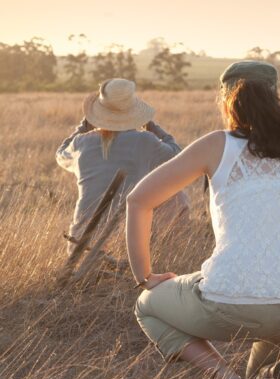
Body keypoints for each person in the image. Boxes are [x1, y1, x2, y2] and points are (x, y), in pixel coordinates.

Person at [126, 61, 280, 379]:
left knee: (146, 305)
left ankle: (224, 377)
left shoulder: (218, 145)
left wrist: (144, 276)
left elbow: (138, 200)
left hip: (231, 300)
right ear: (275, 98)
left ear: (228, 100)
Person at [56, 78, 188, 254]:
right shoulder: (144, 141)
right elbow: (177, 155)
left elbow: (61, 154)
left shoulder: (81, 143)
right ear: (134, 112)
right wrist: (152, 126)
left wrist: (82, 127)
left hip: (78, 245)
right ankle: (171, 250)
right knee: (177, 194)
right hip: (126, 248)